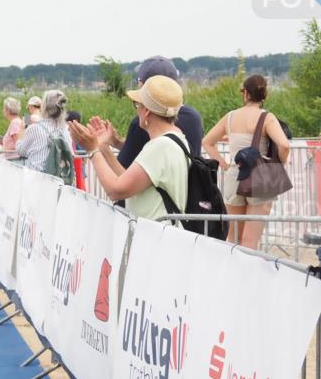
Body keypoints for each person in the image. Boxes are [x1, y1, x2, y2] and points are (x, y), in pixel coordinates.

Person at [69, 75, 189, 222]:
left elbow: (115, 191)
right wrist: (103, 148)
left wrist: (92, 150)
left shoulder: (160, 147)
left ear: (146, 111)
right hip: (163, 231)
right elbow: (128, 182)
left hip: (153, 233)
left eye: (137, 105)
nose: (137, 110)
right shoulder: (177, 139)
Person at [202, 74, 291, 249]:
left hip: (234, 175)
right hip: (260, 177)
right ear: (264, 95)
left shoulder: (230, 117)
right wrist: (280, 163)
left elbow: (207, 142)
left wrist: (224, 165)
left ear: (246, 93)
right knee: (250, 241)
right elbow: (284, 145)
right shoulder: (267, 118)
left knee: (233, 239)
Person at [107, 56, 204, 168]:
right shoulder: (194, 117)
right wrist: (117, 142)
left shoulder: (145, 121)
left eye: (139, 82)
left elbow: (121, 173)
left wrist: (99, 149)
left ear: (145, 87)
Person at [15, 90, 74, 174]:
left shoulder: (31, 124)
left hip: (38, 177)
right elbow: (71, 154)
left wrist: (22, 129)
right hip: (60, 177)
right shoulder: (66, 129)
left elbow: (21, 151)